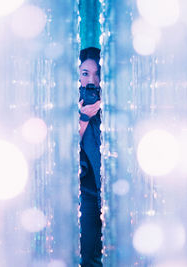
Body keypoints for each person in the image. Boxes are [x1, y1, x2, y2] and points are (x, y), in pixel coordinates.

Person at [78, 47, 102, 267]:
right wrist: (83, 117)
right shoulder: (69, 102)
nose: (91, 79)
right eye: (85, 73)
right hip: (85, 190)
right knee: (88, 251)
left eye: (97, 73)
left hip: (110, 186)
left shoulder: (112, 102)